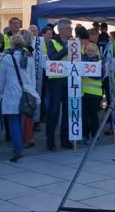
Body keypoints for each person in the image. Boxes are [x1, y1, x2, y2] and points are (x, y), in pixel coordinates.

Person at [0, 33, 40, 161]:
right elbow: (33, 78)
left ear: (12, 44)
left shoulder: (6, 58)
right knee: (21, 120)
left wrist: (1, 93)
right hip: (25, 94)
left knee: (13, 122)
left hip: (11, 93)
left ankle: (17, 148)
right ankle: (19, 145)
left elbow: (1, 79)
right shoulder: (29, 57)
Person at [46, 19, 74, 151]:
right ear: (61, 29)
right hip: (56, 80)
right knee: (54, 110)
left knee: (68, 111)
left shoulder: (73, 42)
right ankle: (50, 139)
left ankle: (65, 139)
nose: (71, 30)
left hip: (69, 79)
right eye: (68, 28)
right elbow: (53, 58)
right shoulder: (52, 42)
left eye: (71, 28)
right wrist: (66, 49)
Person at [82, 44, 103, 145]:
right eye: (88, 50)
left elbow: (100, 76)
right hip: (84, 93)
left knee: (94, 116)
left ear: (96, 52)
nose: (90, 52)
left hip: (95, 94)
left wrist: (86, 72)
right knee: (85, 116)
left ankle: (95, 136)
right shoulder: (81, 61)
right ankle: (85, 135)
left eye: (92, 51)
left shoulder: (99, 62)